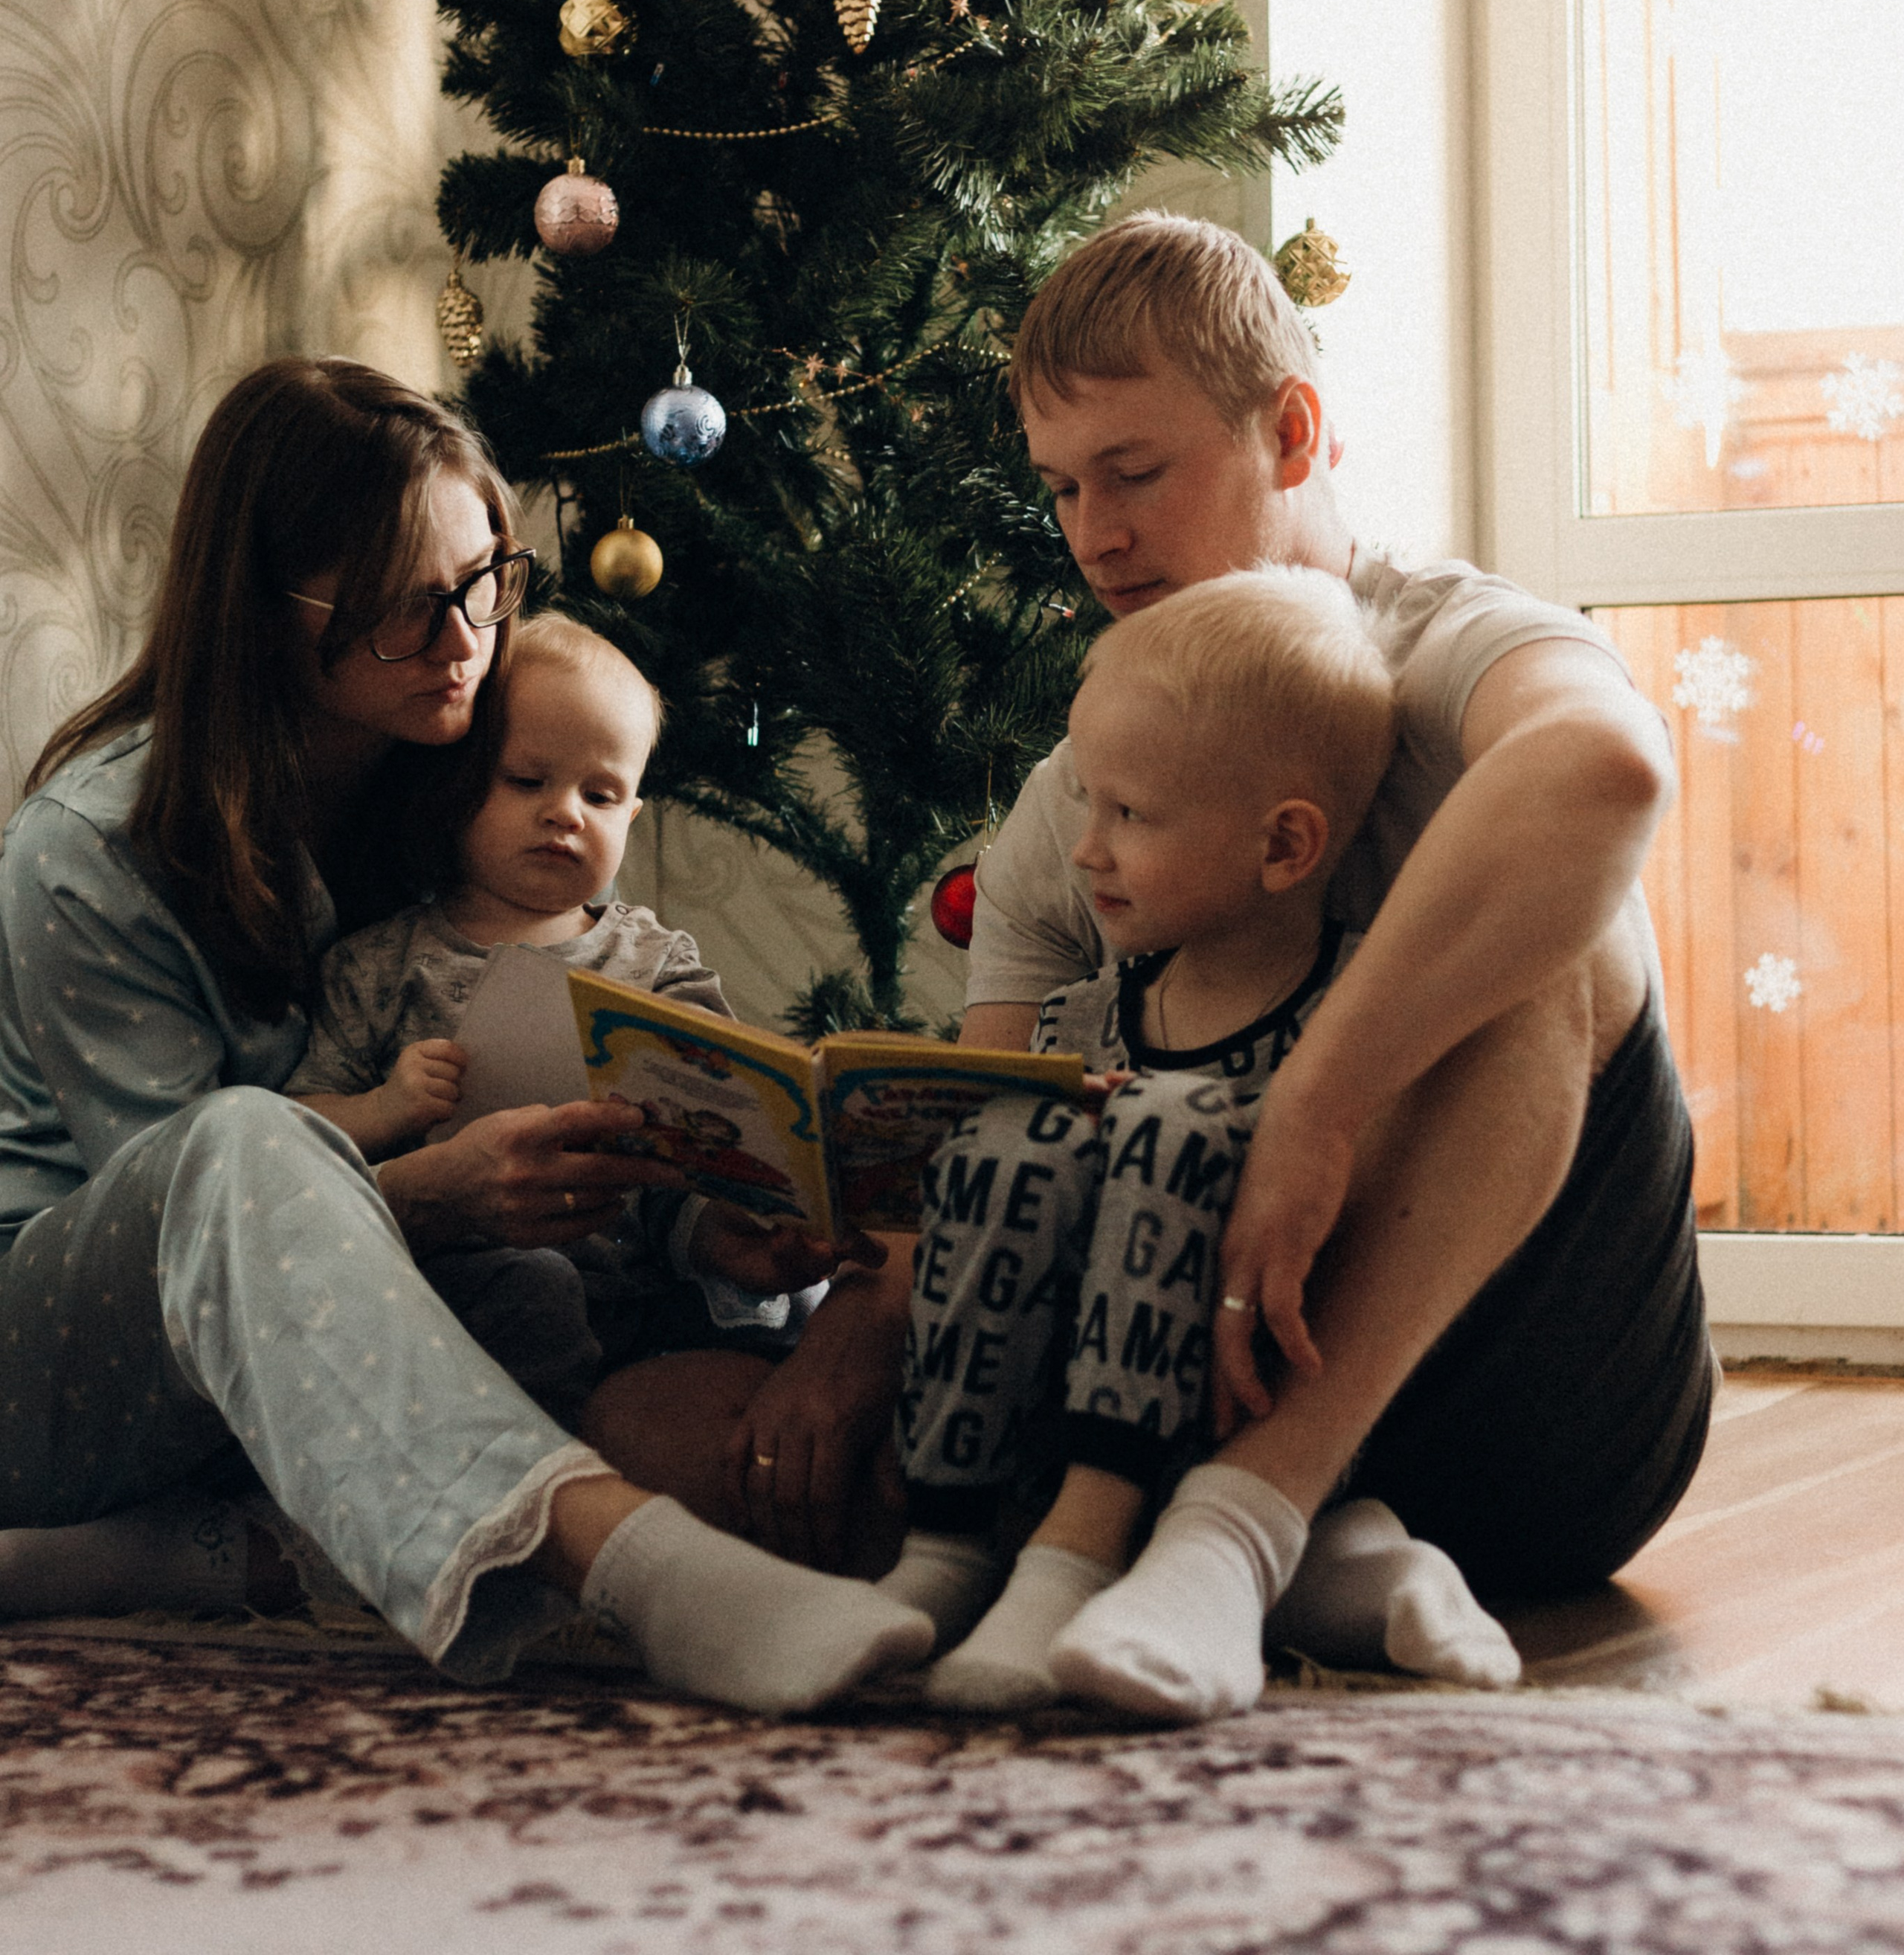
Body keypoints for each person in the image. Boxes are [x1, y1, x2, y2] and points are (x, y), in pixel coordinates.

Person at [0, 358, 930, 1712]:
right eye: (404, 610)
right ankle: (641, 1576)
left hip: (366, 1352)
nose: (464, 641)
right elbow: (206, 1252)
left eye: (487, 580)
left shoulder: (441, 778)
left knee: (580, 1305)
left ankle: (232, 1555)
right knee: (241, 1140)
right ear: (265, 616)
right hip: (62, 1359)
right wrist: (431, 1196)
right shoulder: (90, 850)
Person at [956, 211, 1712, 1722]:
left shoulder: (1443, 642)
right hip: (1188, 1370)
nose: (1093, 535)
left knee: (1551, 944)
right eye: (1059, 488)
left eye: (1134, 472)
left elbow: (1605, 770)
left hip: (1541, 1420)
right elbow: (987, 1118)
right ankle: (1303, 1563)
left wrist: (1317, 1099)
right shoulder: (1076, 801)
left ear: (1288, 432)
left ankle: (1243, 1528)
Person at [878, 567, 1519, 1709]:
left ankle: (1317, 1576)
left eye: (1128, 815)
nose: (1085, 851)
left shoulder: (1349, 1027)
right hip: (1053, 1426)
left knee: (1176, 1128)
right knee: (1007, 1139)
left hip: (1260, 1417)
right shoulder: (1087, 1013)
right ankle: (957, 1545)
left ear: (1283, 848)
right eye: (1089, 807)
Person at [288, 611, 861, 1422]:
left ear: (631, 815)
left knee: (786, 1317)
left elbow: (700, 1168)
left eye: (601, 794)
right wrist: (384, 1109)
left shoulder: (659, 966)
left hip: (652, 1290)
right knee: (531, 1296)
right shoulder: (380, 964)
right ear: (456, 784)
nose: (567, 813)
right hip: (473, 1290)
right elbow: (292, 1140)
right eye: (528, 781)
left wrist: (732, 1235)